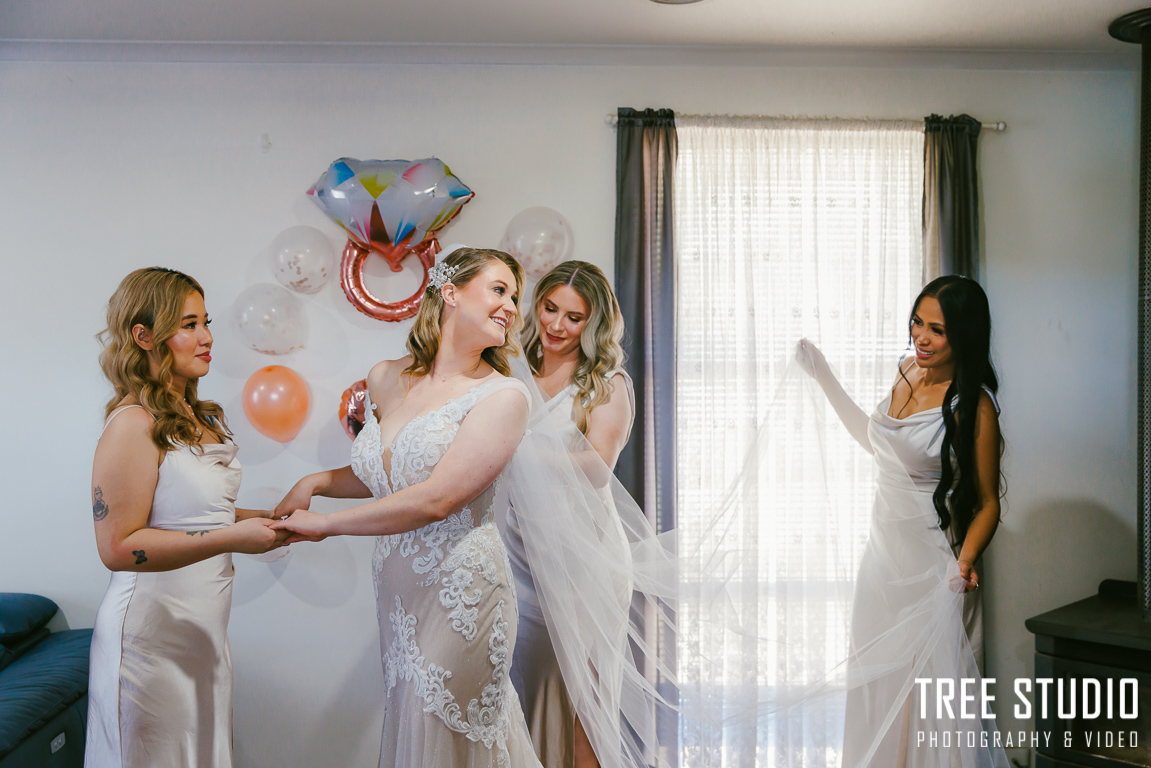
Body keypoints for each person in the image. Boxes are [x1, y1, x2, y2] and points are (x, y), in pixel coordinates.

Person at [272, 247, 544, 768]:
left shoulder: (503, 397)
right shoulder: (385, 378)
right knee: (411, 722)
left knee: (444, 727)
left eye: (515, 297)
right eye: (499, 290)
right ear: (450, 293)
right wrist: (315, 482)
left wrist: (326, 525)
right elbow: (390, 475)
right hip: (398, 592)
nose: (512, 307)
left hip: (463, 592)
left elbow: (436, 498)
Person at [796, 274, 1007, 768]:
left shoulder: (974, 405)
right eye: (917, 322)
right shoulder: (907, 371)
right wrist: (824, 375)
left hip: (931, 571)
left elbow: (989, 503)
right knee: (876, 690)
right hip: (880, 566)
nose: (921, 337)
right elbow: (878, 444)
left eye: (938, 329)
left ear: (964, 335)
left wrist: (965, 562)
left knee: (928, 705)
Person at [86, 267, 289, 768]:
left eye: (206, 322)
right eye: (189, 325)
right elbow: (117, 547)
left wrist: (270, 521)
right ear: (144, 336)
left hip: (203, 632)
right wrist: (231, 537)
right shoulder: (133, 424)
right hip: (150, 639)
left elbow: (192, 513)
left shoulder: (197, 417)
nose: (207, 337)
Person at [506, 261, 634, 768]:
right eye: (549, 308)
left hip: (585, 559)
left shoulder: (606, 384)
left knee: (584, 703)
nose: (556, 325)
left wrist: (516, 450)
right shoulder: (509, 373)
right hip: (516, 553)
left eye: (573, 317)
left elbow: (597, 468)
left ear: (594, 322)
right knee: (520, 691)